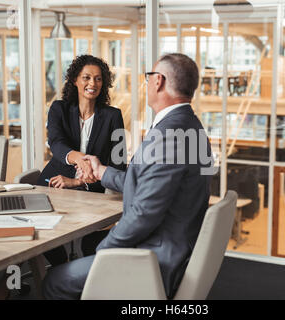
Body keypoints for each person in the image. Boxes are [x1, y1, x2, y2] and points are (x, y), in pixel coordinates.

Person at [42, 53, 213, 300]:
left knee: (55, 281)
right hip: (175, 244)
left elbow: (144, 214)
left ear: (159, 82)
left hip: (154, 257)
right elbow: (147, 183)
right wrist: (101, 171)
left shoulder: (168, 135)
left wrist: (103, 253)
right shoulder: (190, 126)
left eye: (148, 77)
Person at [39, 55, 127, 265]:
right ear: (75, 81)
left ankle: (83, 279)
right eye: (86, 77)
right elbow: (57, 144)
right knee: (41, 231)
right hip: (54, 184)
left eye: (98, 79)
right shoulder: (58, 109)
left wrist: (78, 181)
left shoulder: (113, 116)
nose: (92, 83)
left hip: (93, 191)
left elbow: (118, 162)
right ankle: (59, 269)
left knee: (92, 243)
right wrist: (81, 160)